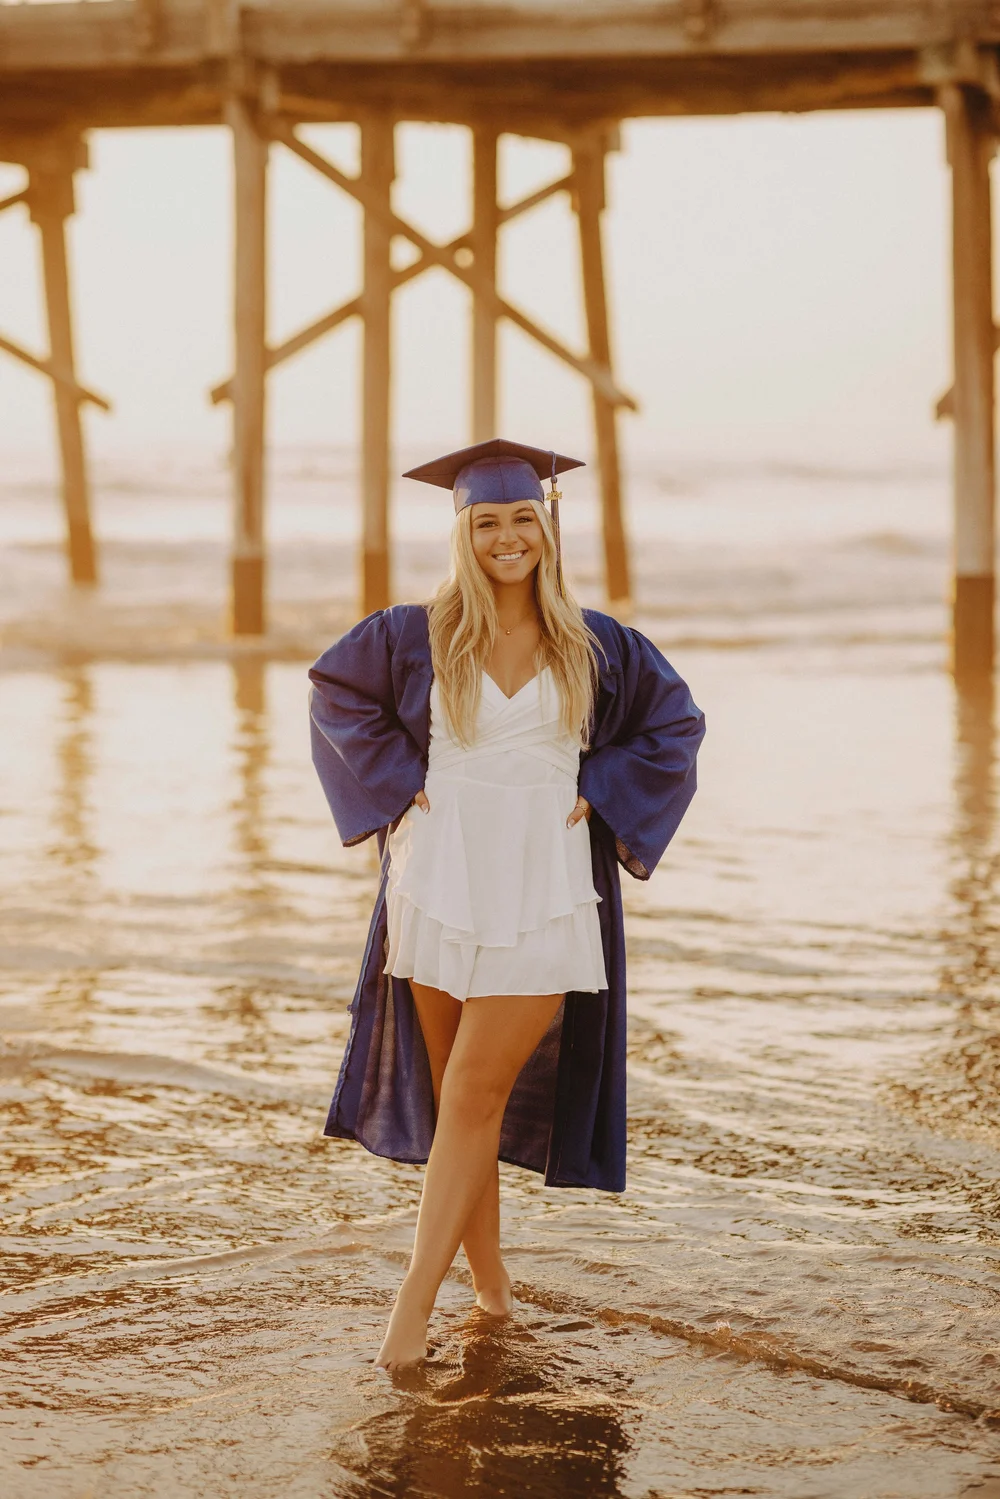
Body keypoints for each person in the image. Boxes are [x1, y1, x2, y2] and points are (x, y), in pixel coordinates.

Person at [308, 438, 705, 1371]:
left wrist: (604, 787)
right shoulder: (417, 633)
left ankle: (409, 1314)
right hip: (439, 875)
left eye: (522, 518)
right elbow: (334, 693)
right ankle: (492, 1292)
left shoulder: (597, 642)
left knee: (478, 1092)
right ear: (463, 532)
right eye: (487, 522)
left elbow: (675, 724)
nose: (507, 536)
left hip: (548, 883)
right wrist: (397, 783)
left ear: (547, 524)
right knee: (460, 1105)